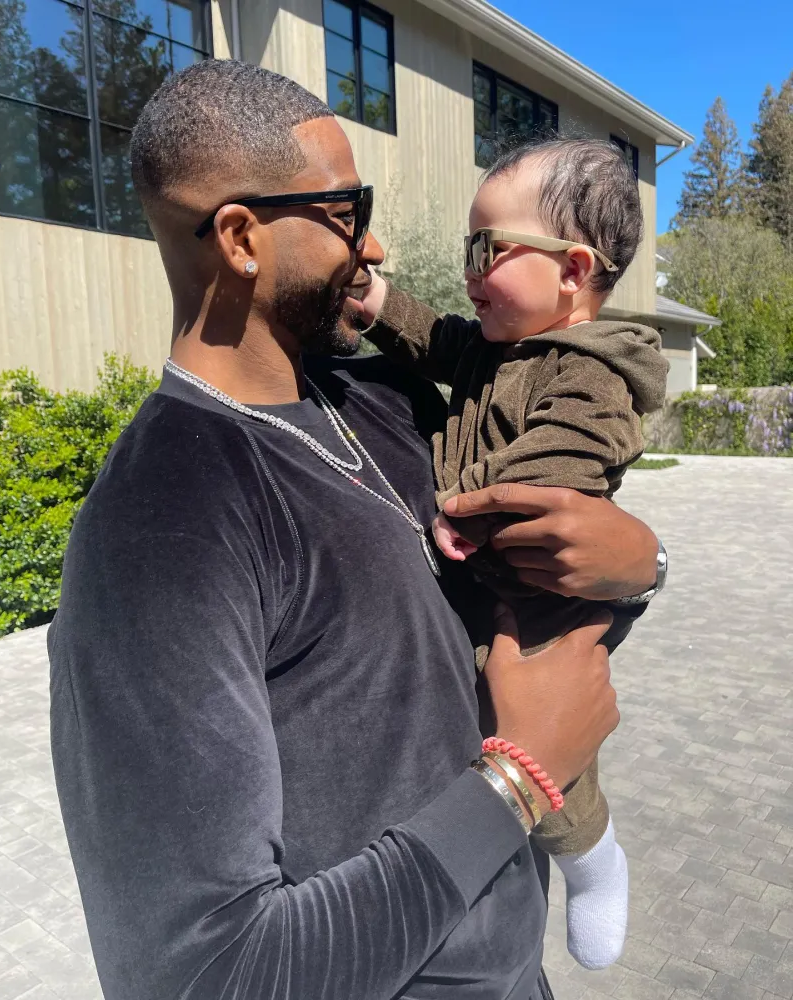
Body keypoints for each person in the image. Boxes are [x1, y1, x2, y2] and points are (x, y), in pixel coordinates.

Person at [48, 61, 663, 1000]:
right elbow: (209, 972)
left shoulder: (378, 402)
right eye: (345, 211)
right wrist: (515, 783)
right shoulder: (157, 527)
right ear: (243, 237)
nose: (372, 243)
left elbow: (559, 493)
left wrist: (645, 561)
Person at [356, 137, 669, 969]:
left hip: (538, 602)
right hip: (487, 580)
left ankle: (593, 861)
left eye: (486, 250)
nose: (469, 272)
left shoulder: (591, 375)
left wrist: (474, 512)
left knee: (538, 748)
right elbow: (439, 340)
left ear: (572, 270)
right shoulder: (501, 348)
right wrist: (376, 299)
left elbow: (563, 462)